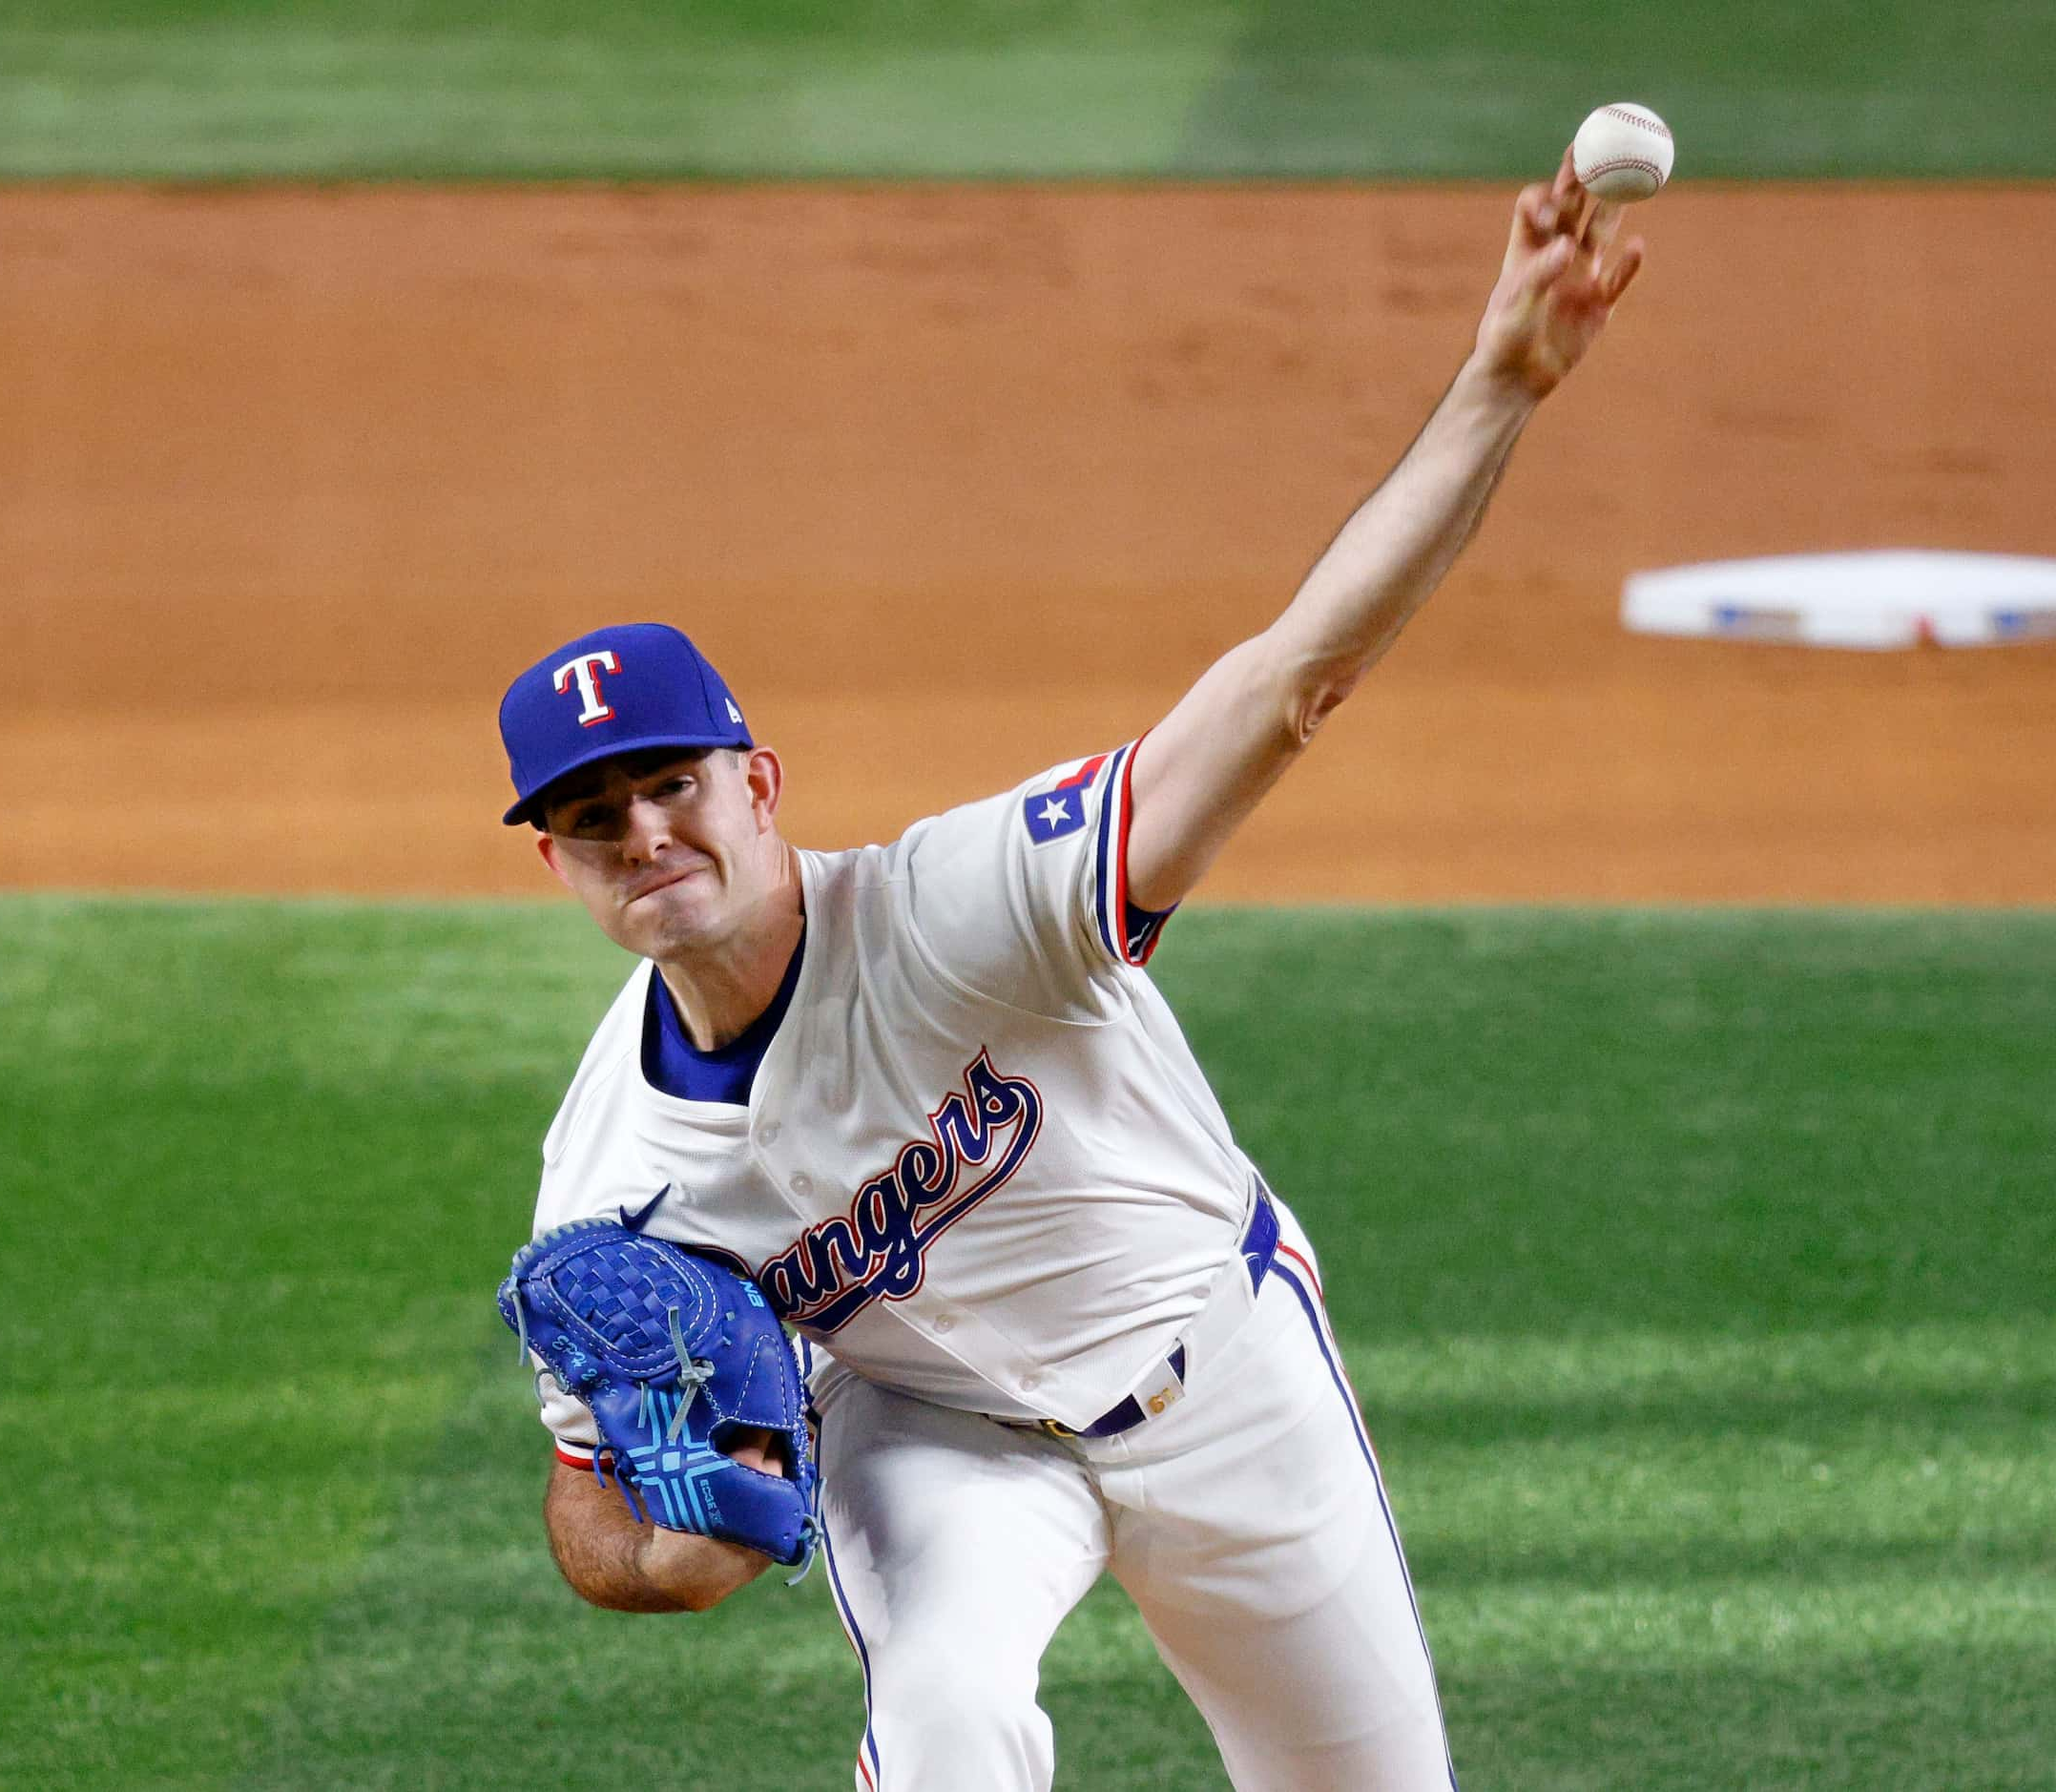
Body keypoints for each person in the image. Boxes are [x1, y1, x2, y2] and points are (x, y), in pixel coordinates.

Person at [497, 156, 1642, 1790]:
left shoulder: (965, 903)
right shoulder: (608, 1176)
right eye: (594, 817)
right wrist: (674, 1551)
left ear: (757, 783)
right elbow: (582, 1492)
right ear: (558, 863)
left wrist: (1495, 386)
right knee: (948, 1722)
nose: (644, 832)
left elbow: (1288, 683)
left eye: (673, 784)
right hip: (937, 1446)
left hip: (1221, 1359)